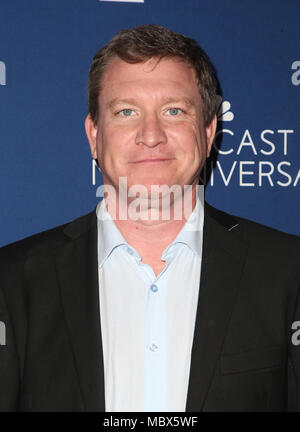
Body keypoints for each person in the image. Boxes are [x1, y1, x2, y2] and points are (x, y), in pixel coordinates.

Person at [0, 24, 299, 412]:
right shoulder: (11, 282)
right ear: (94, 136)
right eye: (126, 112)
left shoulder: (288, 273)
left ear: (209, 133)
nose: (151, 134)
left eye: (174, 110)